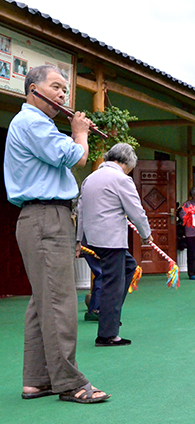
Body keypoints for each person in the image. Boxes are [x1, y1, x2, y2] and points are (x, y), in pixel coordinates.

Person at [4, 65, 109, 403]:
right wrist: (79, 131)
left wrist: (73, 132)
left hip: (43, 217)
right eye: (55, 87)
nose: (62, 95)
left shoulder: (37, 124)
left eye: (65, 89)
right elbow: (74, 156)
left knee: (43, 301)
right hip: (46, 217)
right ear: (33, 89)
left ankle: (36, 380)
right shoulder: (32, 122)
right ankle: (69, 383)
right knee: (60, 303)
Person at [76, 143, 152, 347]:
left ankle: (110, 315)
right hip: (111, 240)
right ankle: (107, 334)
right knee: (112, 284)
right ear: (126, 163)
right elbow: (136, 210)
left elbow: (80, 210)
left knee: (129, 267)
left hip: (92, 238)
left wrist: (77, 240)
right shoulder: (121, 179)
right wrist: (146, 234)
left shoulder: (89, 178)